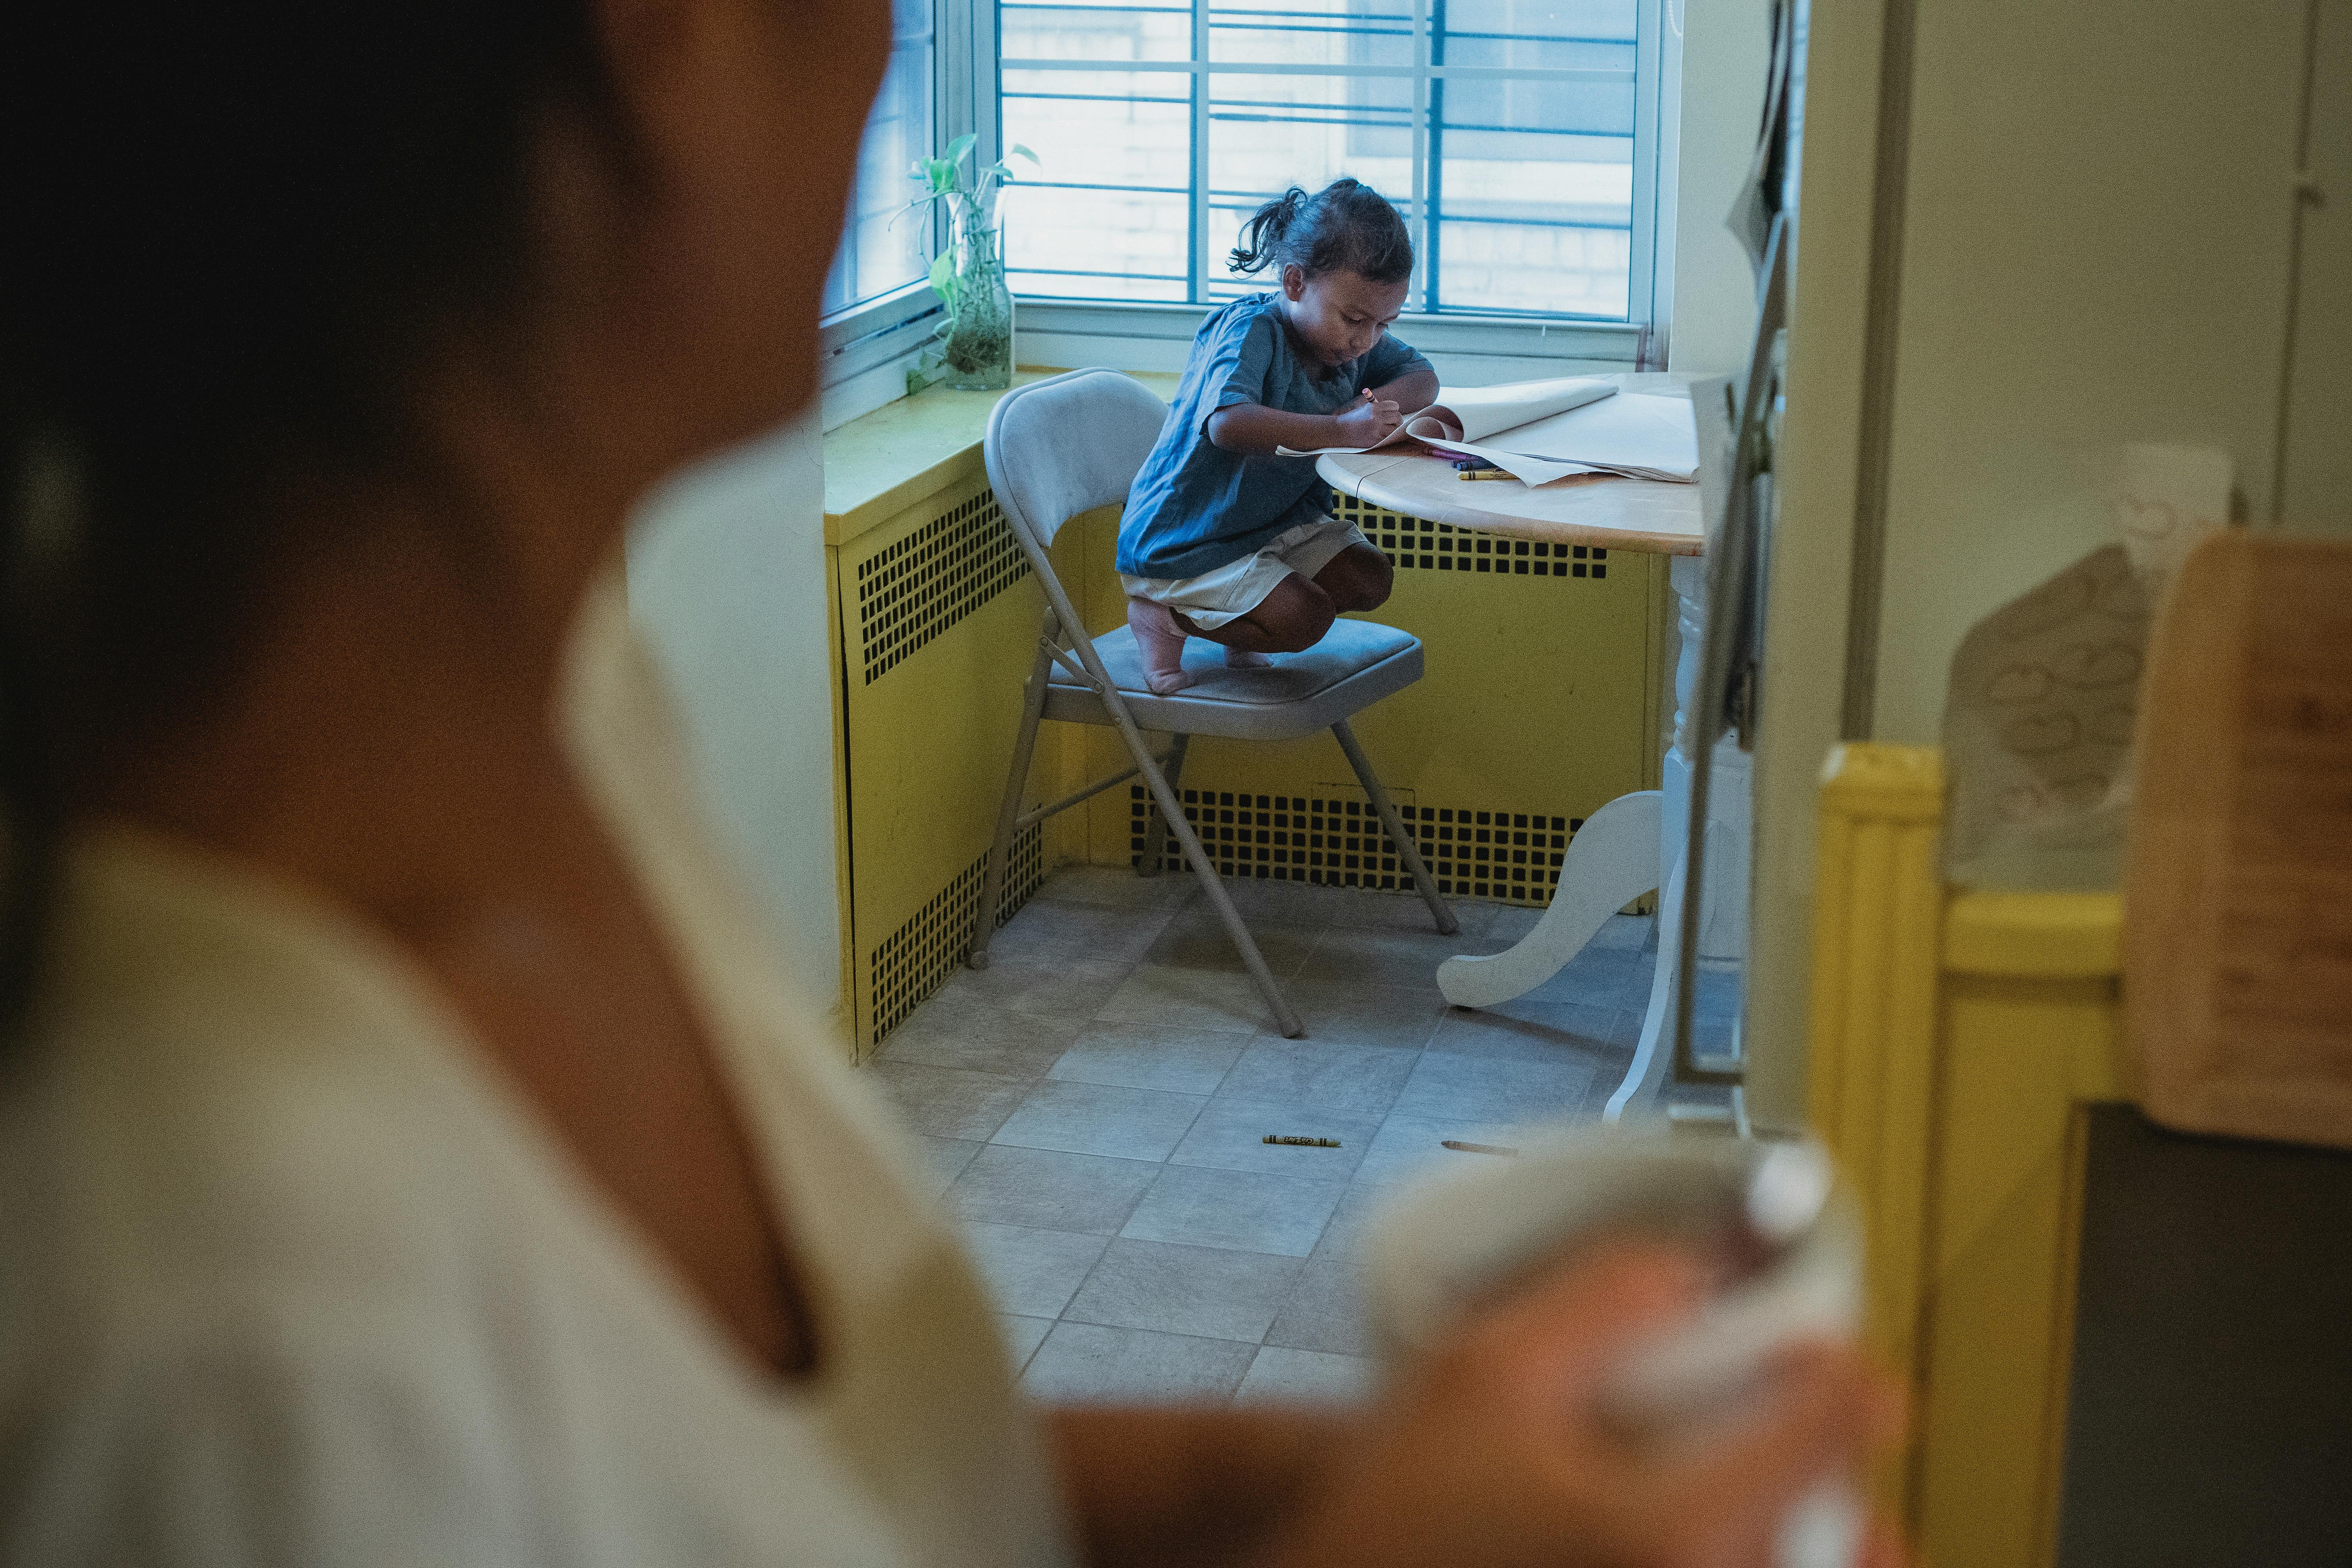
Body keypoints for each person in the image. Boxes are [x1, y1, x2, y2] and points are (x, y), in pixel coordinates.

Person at [0, 3, 1900, 1564]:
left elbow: (809, 1507)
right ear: (657, 45)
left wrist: (1320, 1478)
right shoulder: (224, 1322)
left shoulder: (559, 701)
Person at [1115, 180, 1437, 695]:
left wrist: (1368, 407)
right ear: (1294, 282)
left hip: (1270, 526)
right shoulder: (1249, 331)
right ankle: (1163, 617)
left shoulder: (1347, 341)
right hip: (1188, 538)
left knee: (1370, 577)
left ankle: (1245, 626)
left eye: (1384, 323)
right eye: (1355, 318)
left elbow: (1423, 378)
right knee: (1305, 620)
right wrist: (1339, 429)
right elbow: (1227, 423)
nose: (1366, 339)